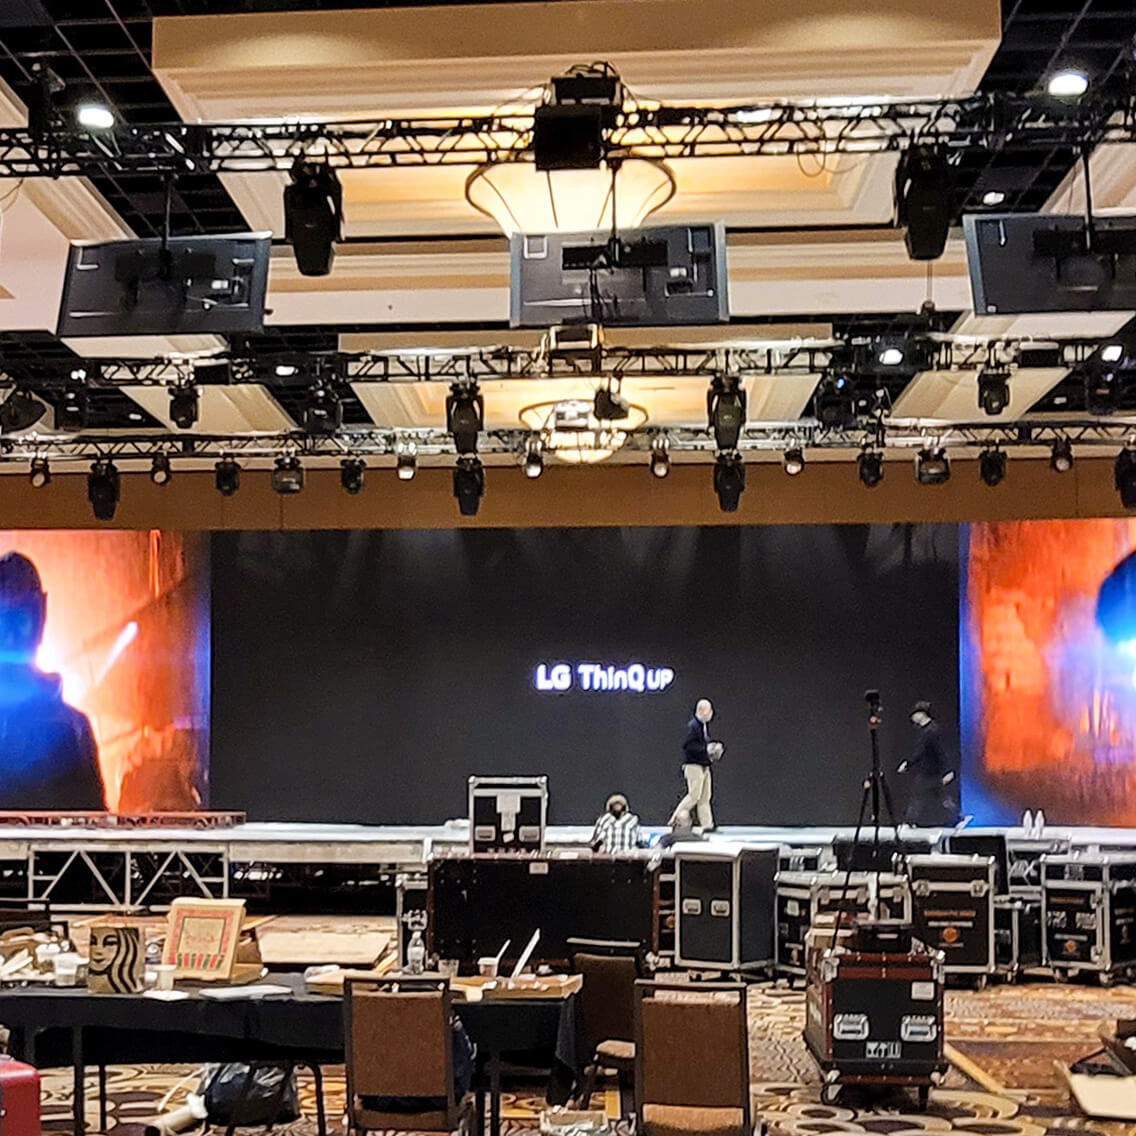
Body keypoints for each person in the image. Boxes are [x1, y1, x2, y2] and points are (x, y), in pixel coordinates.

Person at [0, 551, 103, 810]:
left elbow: (92, 824)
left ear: (41, 616)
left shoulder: (74, 728)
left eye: (20, 620)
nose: (10, 637)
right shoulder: (74, 726)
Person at [897, 700, 959, 827]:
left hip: (929, 771)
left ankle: (909, 821)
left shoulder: (930, 731)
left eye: (914, 715)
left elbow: (933, 751)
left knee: (918, 794)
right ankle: (957, 817)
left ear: (921, 714)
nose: (913, 718)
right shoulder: (929, 730)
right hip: (932, 770)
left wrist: (908, 764)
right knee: (940, 795)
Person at [669, 698, 721, 830]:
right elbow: (688, 746)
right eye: (709, 710)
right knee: (694, 796)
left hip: (704, 765)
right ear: (702, 711)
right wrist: (706, 749)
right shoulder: (693, 726)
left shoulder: (702, 726)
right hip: (694, 766)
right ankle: (675, 820)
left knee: (704, 797)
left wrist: (710, 750)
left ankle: (707, 825)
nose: (711, 713)